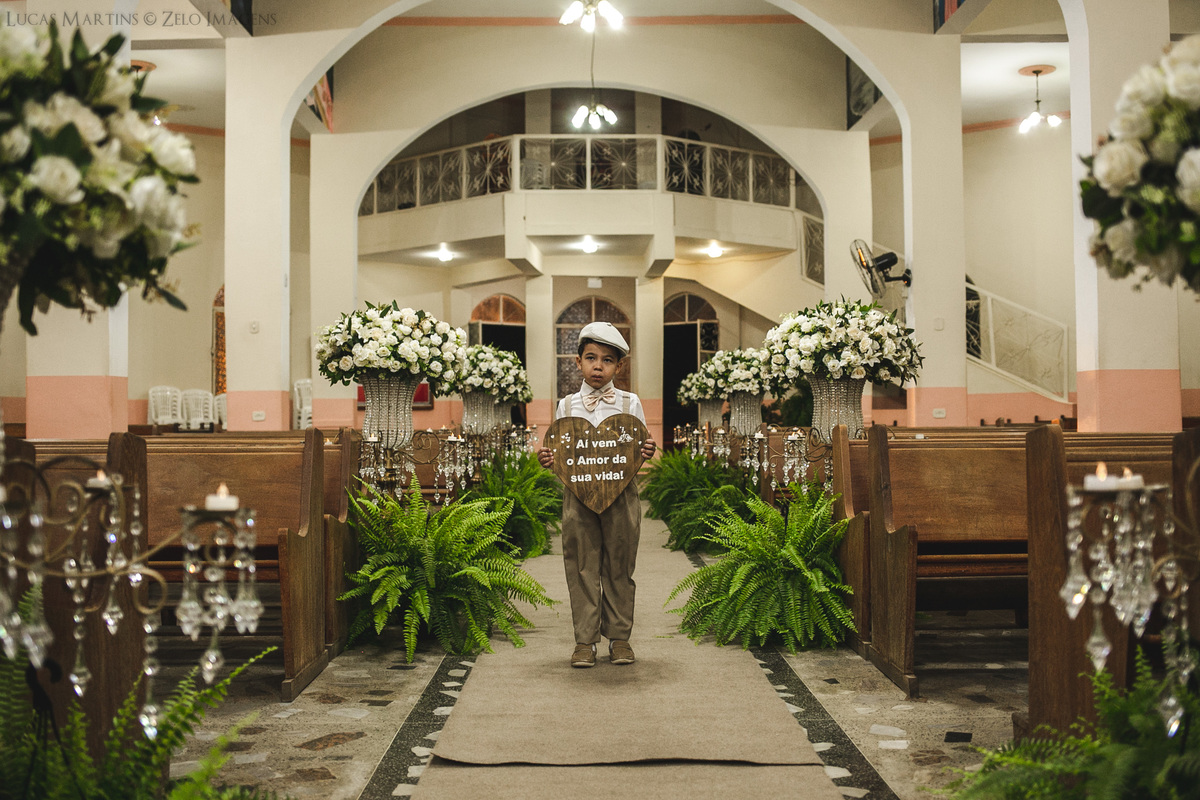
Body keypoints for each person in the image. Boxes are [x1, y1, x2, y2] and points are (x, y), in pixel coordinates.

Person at [538, 321, 656, 668]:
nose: (598, 366)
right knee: (582, 565)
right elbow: (559, 447)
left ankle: (619, 638)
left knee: (619, 564)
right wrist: (548, 458)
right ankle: (585, 641)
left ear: (618, 366)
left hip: (621, 494)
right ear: (578, 362)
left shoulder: (630, 402)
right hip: (578, 496)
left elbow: (639, 444)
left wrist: (646, 448)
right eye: (591, 358)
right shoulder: (567, 405)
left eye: (607, 360)